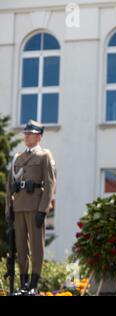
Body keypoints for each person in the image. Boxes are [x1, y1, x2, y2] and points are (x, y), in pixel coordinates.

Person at [5, 120, 56, 295]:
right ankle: (23, 283)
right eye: (25, 133)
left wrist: (43, 210)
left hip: (35, 207)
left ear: (38, 136)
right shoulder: (17, 158)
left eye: (30, 133)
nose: (26, 136)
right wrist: (8, 209)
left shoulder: (44, 156)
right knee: (20, 247)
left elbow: (50, 185)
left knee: (36, 247)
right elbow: (9, 185)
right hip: (18, 208)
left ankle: (33, 283)